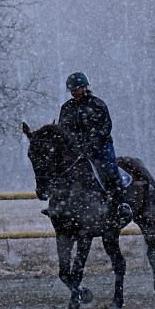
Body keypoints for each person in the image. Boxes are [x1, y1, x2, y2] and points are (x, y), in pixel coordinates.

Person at [45, 71, 133, 225]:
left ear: (85, 87)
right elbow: (64, 130)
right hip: (77, 149)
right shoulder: (66, 108)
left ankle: (121, 204)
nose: (74, 93)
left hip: (101, 146)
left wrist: (91, 142)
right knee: (59, 170)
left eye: (76, 89)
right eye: (71, 90)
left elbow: (106, 127)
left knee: (110, 169)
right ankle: (56, 204)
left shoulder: (97, 105)